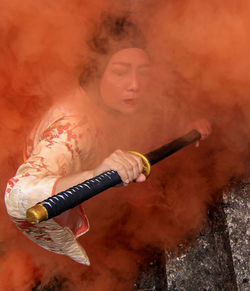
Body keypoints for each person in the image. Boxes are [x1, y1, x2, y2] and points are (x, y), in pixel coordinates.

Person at [4, 14, 211, 265]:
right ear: (96, 72)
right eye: (121, 72)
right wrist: (96, 175)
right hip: (62, 190)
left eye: (143, 73)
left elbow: (153, 110)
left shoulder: (118, 98)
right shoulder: (73, 127)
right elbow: (18, 196)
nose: (135, 84)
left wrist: (186, 127)